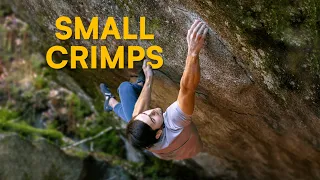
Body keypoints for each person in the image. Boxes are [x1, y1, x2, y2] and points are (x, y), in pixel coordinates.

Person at [100, 19, 208, 160]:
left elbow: (137, 117)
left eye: (146, 113)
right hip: (188, 143)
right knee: (124, 89)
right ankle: (114, 102)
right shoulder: (174, 122)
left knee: (134, 121)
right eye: (153, 118)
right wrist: (193, 51)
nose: (153, 110)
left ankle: (111, 102)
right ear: (158, 133)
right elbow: (188, 88)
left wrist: (149, 79)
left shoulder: (146, 141)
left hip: (183, 152)